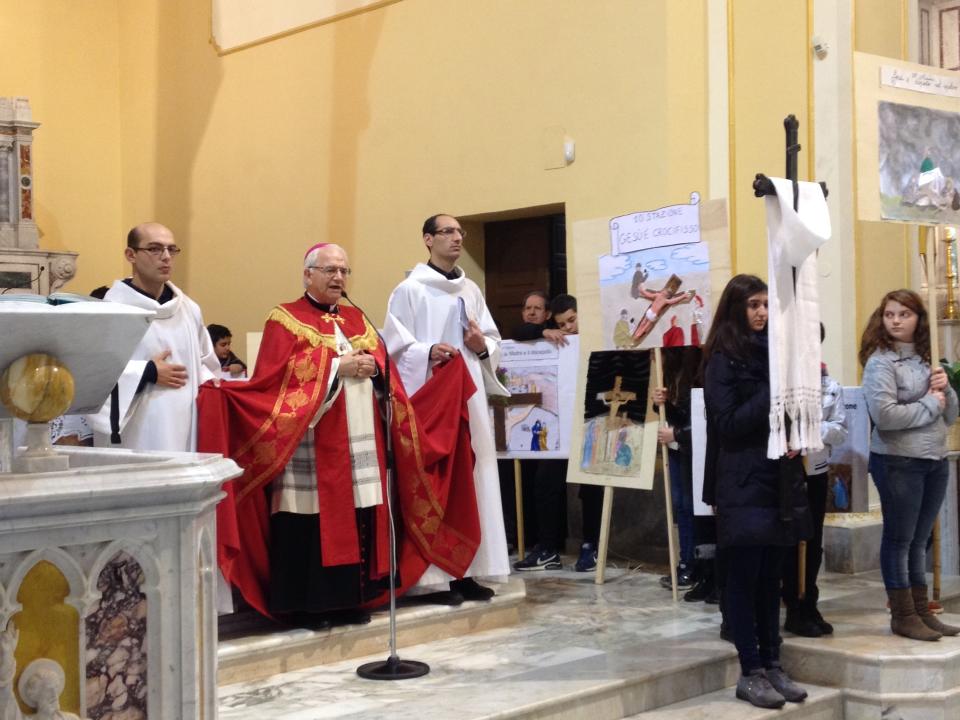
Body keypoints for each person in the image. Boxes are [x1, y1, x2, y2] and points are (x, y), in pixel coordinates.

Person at [199, 243, 481, 626]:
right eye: (329, 270)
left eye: (344, 271)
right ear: (308, 275)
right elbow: (274, 378)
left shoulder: (357, 320)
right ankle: (308, 606)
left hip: (360, 439)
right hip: (309, 445)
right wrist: (336, 366)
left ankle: (352, 600)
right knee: (308, 521)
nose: (338, 278)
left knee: (362, 514)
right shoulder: (284, 318)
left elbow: (386, 367)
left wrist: (374, 366)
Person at [384, 214, 510, 602]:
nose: (457, 238)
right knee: (437, 481)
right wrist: (427, 352)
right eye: (448, 232)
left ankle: (469, 569)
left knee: (474, 476)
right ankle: (433, 577)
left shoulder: (471, 289)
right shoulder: (408, 291)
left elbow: (491, 339)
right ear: (427, 239)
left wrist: (479, 345)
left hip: (468, 394)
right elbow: (393, 347)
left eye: (460, 232)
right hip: (431, 399)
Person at [702, 274, 810, 709]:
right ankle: (750, 670)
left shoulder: (773, 353)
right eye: (754, 305)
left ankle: (773, 663)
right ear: (736, 309)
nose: (763, 313)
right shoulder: (722, 360)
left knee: (772, 579)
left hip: (776, 480)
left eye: (766, 304)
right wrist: (772, 390)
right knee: (744, 581)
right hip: (742, 480)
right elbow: (727, 424)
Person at [860, 289, 960, 641]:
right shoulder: (881, 363)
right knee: (900, 539)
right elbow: (885, 417)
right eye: (890, 314)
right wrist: (931, 404)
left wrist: (945, 390)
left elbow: (950, 416)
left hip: (933, 458)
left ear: (918, 318)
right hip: (898, 460)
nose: (896, 320)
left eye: (904, 314)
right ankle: (902, 614)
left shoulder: (924, 359)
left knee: (919, 541)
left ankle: (921, 610)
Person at [89, 222, 220, 451]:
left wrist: (213, 386)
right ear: (131, 255)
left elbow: (206, 365)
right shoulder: (110, 311)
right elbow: (93, 375)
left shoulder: (189, 309)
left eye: (171, 249)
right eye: (155, 249)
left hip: (185, 425)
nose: (166, 257)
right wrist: (146, 373)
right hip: (135, 434)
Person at [782, 323, 847, 637]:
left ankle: (810, 600)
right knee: (792, 539)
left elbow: (840, 428)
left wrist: (813, 431)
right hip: (788, 472)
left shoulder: (830, 385)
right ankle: (793, 604)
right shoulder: (782, 386)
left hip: (817, 470)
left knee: (815, 539)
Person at [513, 293, 579, 572]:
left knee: (590, 491)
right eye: (562, 324)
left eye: (572, 321)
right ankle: (547, 548)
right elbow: (517, 332)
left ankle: (591, 548)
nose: (568, 329)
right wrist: (544, 331)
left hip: (581, 421)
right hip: (553, 425)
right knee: (544, 483)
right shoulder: (543, 335)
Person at [652, 346, 703, 590]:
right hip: (676, 448)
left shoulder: (695, 369)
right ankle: (686, 562)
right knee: (682, 507)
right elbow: (680, 414)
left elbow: (697, 419)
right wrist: (661, 404)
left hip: (689, 448)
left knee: (691, 507)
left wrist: (677, 433)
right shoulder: (672, 372)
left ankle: (694, 564)